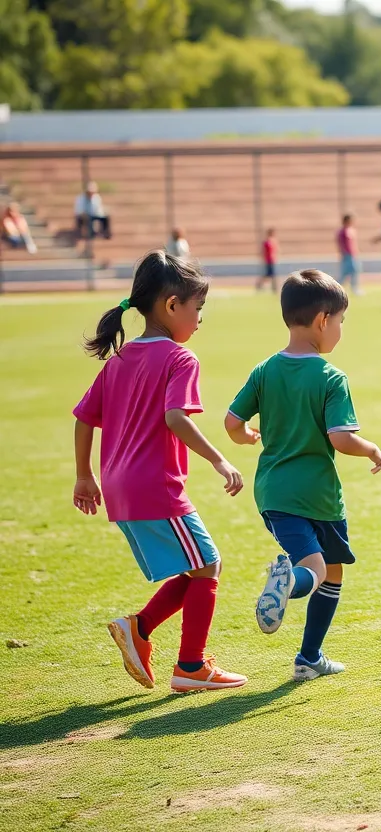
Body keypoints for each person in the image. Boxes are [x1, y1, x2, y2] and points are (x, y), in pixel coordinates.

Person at [72, 251, 247, 694]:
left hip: (118, 487)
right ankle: (190, 666)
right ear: (172, 306)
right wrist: (218, 459)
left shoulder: (120, 360)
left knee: (197, 567)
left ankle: (140, 629)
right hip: (154, 486)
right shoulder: (179, 359)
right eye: (198, 308)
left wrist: (84, 476)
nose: (200, 319)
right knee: (208, 566)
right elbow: (176, 417)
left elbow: (83, 418)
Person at [225, 269, 381, 682]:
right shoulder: (331, 377)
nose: (340, 331)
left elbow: (231, 421)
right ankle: (288, 582)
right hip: (317, 495)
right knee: (317, 569)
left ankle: (309, 658)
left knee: (330, 569)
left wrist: (245, 437)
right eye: (341, 322)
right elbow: (341, 437)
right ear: (322, 320)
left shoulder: (264, 370)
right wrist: (369, 447)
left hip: (274, 493)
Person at [336, 214, 361, 294]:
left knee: (355, 271)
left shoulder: (351, 230)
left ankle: (354, 288)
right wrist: (343, 253)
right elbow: (341, 244)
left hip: (352, 255)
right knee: (345, 273)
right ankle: (336, 288)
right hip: (347, 255)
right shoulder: (342, 231)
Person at [258, 228, 279, 293]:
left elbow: (275, 250)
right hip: (268, 260)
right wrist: (263, 259)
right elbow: (263, 251)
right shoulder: (267, 242)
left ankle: (274, 288)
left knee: (272, 275)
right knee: (269, 275)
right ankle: (260, 285)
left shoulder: (274, 241)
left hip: (272, 260)